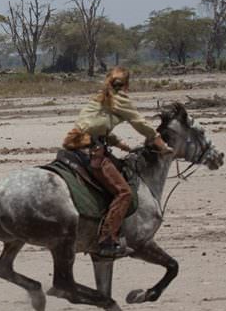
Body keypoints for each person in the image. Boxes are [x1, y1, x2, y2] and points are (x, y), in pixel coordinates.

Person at [61, 67, 173, 258]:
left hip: (72, 147)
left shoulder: (99, 97)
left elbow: (95, 124)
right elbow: (140, 123)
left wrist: (118, 142)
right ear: (127, 84)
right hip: (92, 151)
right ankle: (106, 239)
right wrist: (161, 144)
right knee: (124, 192)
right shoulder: (120, 99)